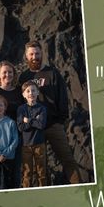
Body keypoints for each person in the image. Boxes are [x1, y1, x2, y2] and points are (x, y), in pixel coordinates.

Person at [18, 41, 85, 184]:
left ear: (42, 53)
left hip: (53, 125)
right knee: (41, 166)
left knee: (67, 159)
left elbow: (63, 97)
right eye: (31, 54)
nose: (34, 56)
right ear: (26, 56)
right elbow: (20, 102)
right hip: (34, 129)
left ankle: (80, 188)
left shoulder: (52, 73)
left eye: (37, 53)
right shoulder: (23, 77)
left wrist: (61, 120)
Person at [17, 81, 49, 187]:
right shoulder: (21, 109)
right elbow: (21, 127)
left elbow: (41, 125)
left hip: (40, 144)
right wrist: (35, 120)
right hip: (26, 145)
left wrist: (28, 120)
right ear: (23, 94)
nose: (31, 93)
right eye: (28, 91)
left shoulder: (42, 109)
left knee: (41, 172)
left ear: (38, 92)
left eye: (34, 90)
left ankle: (43, 192)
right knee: (27, 172)